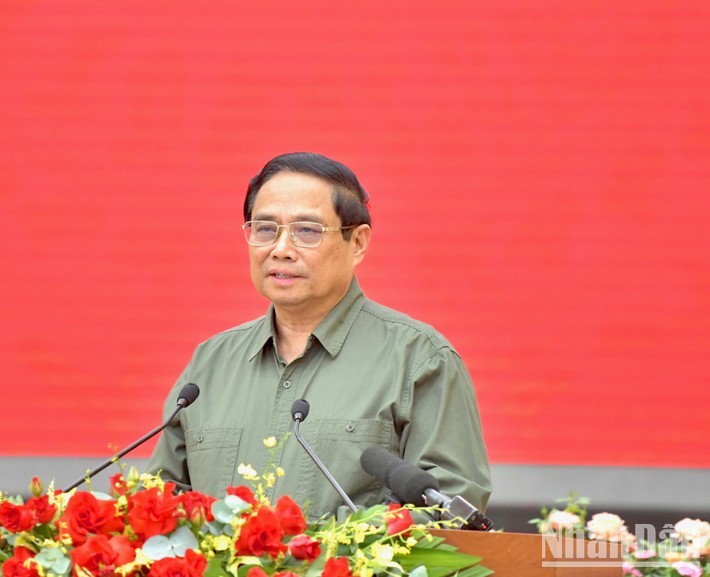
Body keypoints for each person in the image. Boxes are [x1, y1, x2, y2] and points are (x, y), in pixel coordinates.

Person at [147, 152, 491, 519]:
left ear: (357, 243)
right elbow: (158, 505)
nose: (280, 250)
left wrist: (321, 547)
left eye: (306, 231)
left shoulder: (419, 360)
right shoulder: (210, 363)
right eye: (265, 229)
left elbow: (451, 512)